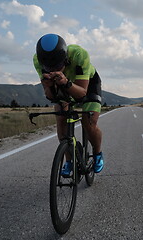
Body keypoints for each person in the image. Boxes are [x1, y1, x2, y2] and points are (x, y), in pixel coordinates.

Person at [33, 33, 104, 174]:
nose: (55, 70)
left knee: (88, 122)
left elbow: (82, 93)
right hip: (62, 84)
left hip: (88, 85)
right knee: (61, 118)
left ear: (65, 58)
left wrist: (65, 82)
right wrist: (48, 86)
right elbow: (51, 96)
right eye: (49, 68)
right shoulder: (37, 60)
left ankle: (97, 154)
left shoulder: (79, 54)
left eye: (58, 65)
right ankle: (69, 160)